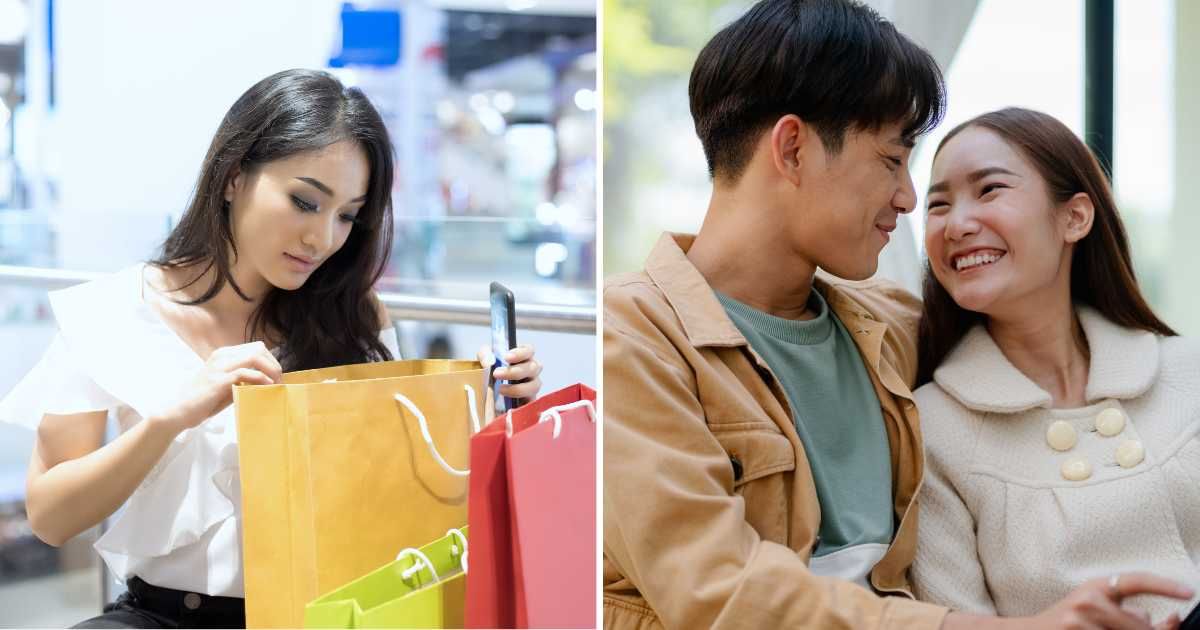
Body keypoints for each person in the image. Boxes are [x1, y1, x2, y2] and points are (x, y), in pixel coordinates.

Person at [602, 2, 1190, 629]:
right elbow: (721, 593)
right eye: (891, 160)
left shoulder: (893, 329)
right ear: (794, 148)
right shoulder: (634, 338)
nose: (909, 200)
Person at [0, 69, 543, 629]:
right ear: (234, 176)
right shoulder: (114, 313)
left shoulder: (353, 317)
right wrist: (169, 419)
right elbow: (50, 518)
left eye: (348, 216)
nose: (324, 239)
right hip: (162, 617)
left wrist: (489, 406)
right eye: (306, 202)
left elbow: (402, 486)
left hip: (330, 614)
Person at [911, 107, 1200, 627]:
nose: (957, 224)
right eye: (938, 205)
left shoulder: (1188, 372)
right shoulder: (931, 429)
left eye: (989, 189)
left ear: (1075, 217)